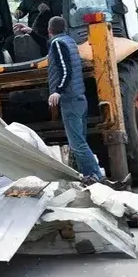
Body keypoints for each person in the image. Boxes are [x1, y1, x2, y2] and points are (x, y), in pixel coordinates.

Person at [45, 15, 105, 181]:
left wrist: (58, 90)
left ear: (49, 30)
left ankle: (96, 176)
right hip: (80, 98)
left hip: (70, 99)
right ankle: (88, 175)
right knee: (81, 140)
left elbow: (65, 69)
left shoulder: (57, 44)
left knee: (77, 143)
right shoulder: (69, 41)